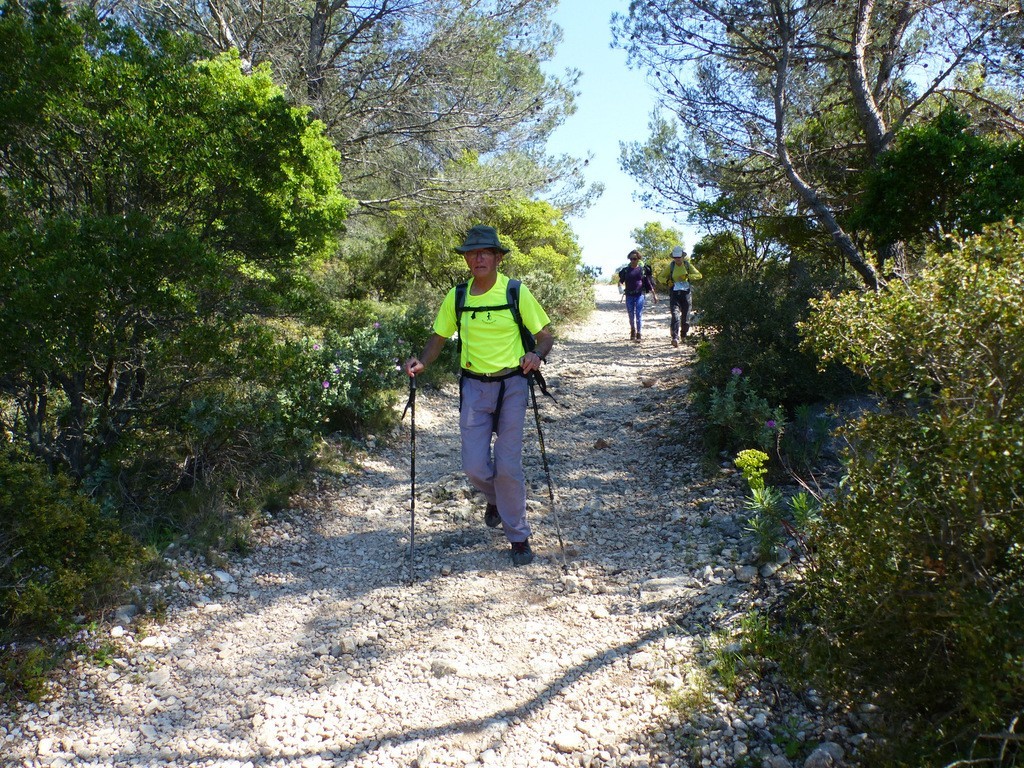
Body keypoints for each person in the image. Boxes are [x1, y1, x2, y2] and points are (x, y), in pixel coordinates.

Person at [405, 224, 554, 567]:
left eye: (486, 252)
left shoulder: (515, 292)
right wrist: (422, 362)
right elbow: (439, 336)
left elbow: (544, 336)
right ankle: (496, 499)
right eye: (473, 253)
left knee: (508, 465)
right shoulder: (457, 296)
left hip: (513, 385)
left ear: (498, 258)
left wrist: (537, 355)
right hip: (473, 386)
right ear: (467, 260)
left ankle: (518, 536)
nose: (479, 258)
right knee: (473, 466)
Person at [658, 245, 702, 347]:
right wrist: (667, 281)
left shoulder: (687, 265)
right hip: (674, 293)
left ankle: (684, 336)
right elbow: (660, 277)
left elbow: (699, 275)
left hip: (686, 294)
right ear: (673, 257)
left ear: (683, 256)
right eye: (675, 257)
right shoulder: (671, 266)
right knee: (675, 315)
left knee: (685, 317)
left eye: (679, 257)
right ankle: (675, 337)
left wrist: (687, 276)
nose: (677, 259)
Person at [617, 249, 657, 342]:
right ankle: (633, 330)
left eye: (634, 258)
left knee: (638, 314)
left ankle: (639, 333)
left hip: (640, 295)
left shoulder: (641, 270)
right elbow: (620, 281)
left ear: (638, 259)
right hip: (629, 295)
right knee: (631, 314)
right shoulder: (626, 270)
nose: (632, 260)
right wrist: (620, 287)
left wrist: (654, 295)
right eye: (631, 259)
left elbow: (648, 283)